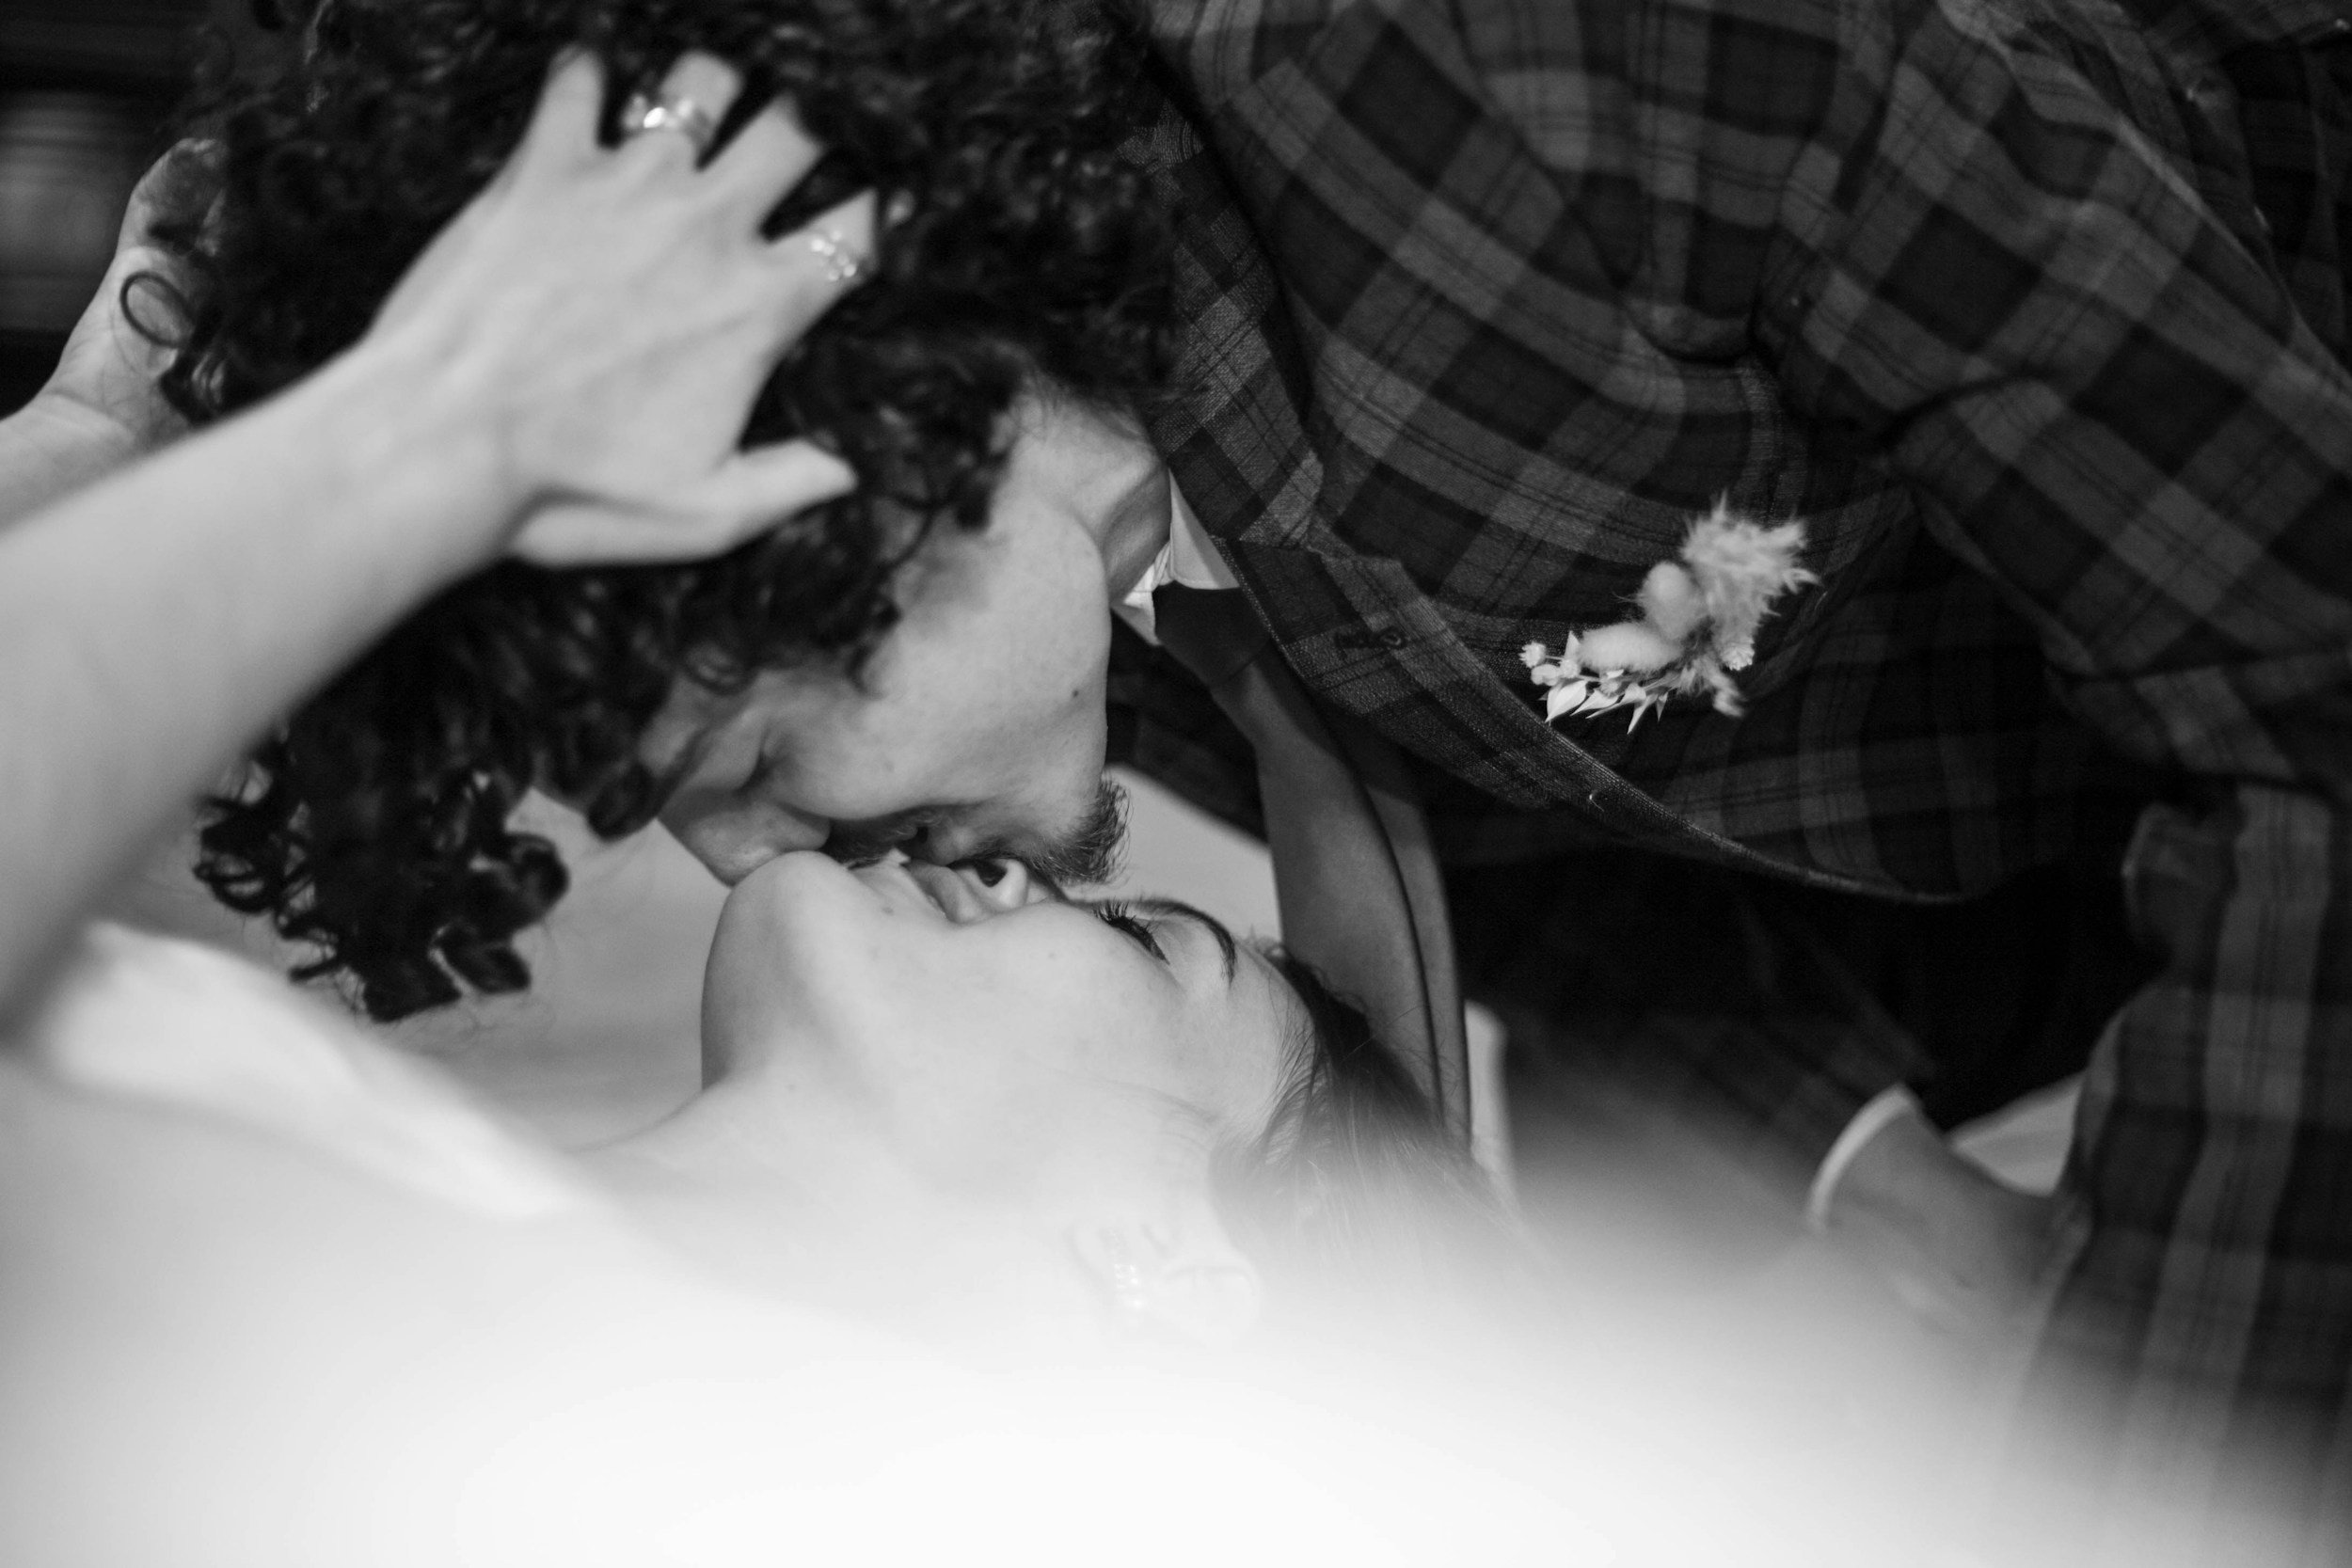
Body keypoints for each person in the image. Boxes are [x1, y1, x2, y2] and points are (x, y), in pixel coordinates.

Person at [136, 0, 2351, 1516]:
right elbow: (1528, 846)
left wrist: (2127, 1488)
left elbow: (2298, 702)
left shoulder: (1473, 77)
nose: (744, 861)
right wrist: (1887, 1191)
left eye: (738, 739)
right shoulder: (1090, 625)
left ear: (892, 439)